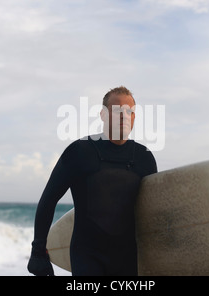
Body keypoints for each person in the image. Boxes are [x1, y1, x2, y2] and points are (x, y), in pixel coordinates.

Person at [27, 86, 157, 276]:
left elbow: (150, 211)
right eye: (116, 111)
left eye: (129, 112)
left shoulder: (144, 158)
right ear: (103, 115)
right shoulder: (79, 152)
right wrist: (37, 251)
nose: (123, 116)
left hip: (127, 260)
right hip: (87, 258)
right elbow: (49, 199)